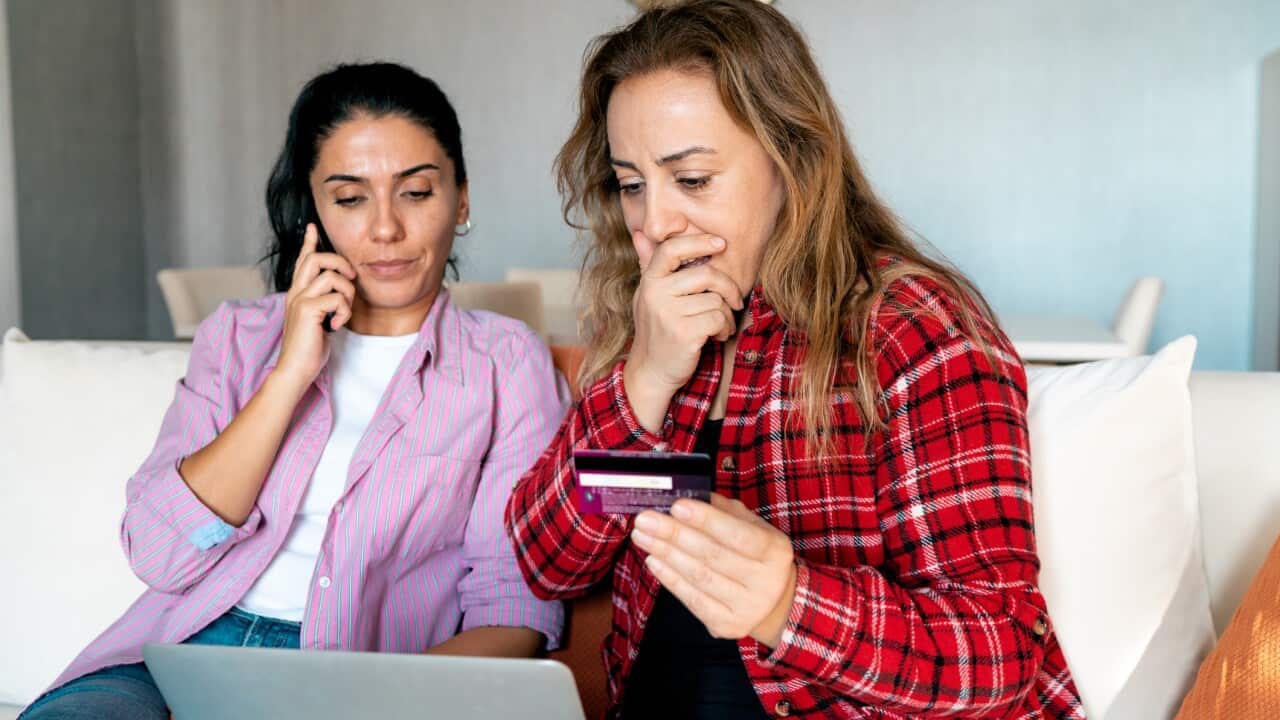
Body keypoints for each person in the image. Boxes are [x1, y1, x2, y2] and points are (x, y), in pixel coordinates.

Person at [505, 2, 1084, 718]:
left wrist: (788, 601)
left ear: (791, 161)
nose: (653, 225)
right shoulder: (650, 325)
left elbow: (997, 656)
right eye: (631, 184)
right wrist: (644, 380)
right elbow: (548, 563)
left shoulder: (910, 331)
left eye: (691, 180)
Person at [22, 62, 566, 720]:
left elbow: (513, 605)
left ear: (463, 198)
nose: (386, 228)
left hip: (357, 679)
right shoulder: (236, 334)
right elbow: (160, 553)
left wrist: (380, 700)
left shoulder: (505, 364)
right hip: (173, 655)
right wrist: (289, 374)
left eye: (416, 193)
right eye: (350, 197)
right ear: (314, 207)